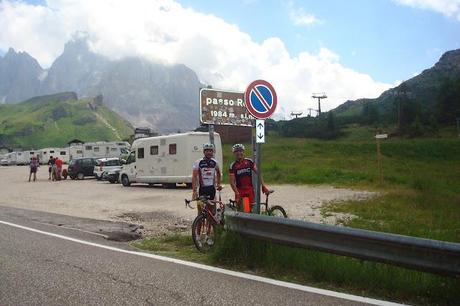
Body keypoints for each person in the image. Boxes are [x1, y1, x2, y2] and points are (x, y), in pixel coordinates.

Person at [229, 144, 269, 212]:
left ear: (243, 152)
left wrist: (263, 185)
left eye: (240, 151)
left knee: (248, 210)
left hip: (249, 189)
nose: (239, 153)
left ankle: (248, 220)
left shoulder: (249, 162)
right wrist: (236, 193)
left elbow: (258, 173)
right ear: (234, 153)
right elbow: (232, 182)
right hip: (239, 190)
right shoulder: (233, 165)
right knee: (239, 211)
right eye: (236, 151)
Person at [191, 143, 222, 211]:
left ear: (213, 152)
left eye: (210, 151)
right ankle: (200, 221)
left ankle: (210, 221)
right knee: (200, 210)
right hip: (201, 189)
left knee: (212, 211)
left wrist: (218, 184)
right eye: (207, 151)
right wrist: (194, 191)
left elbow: (219, 173)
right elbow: (194, 177)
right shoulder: (198, 162)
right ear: (204, 152)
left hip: (212, 189)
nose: (209, 152)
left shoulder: (215, 162)